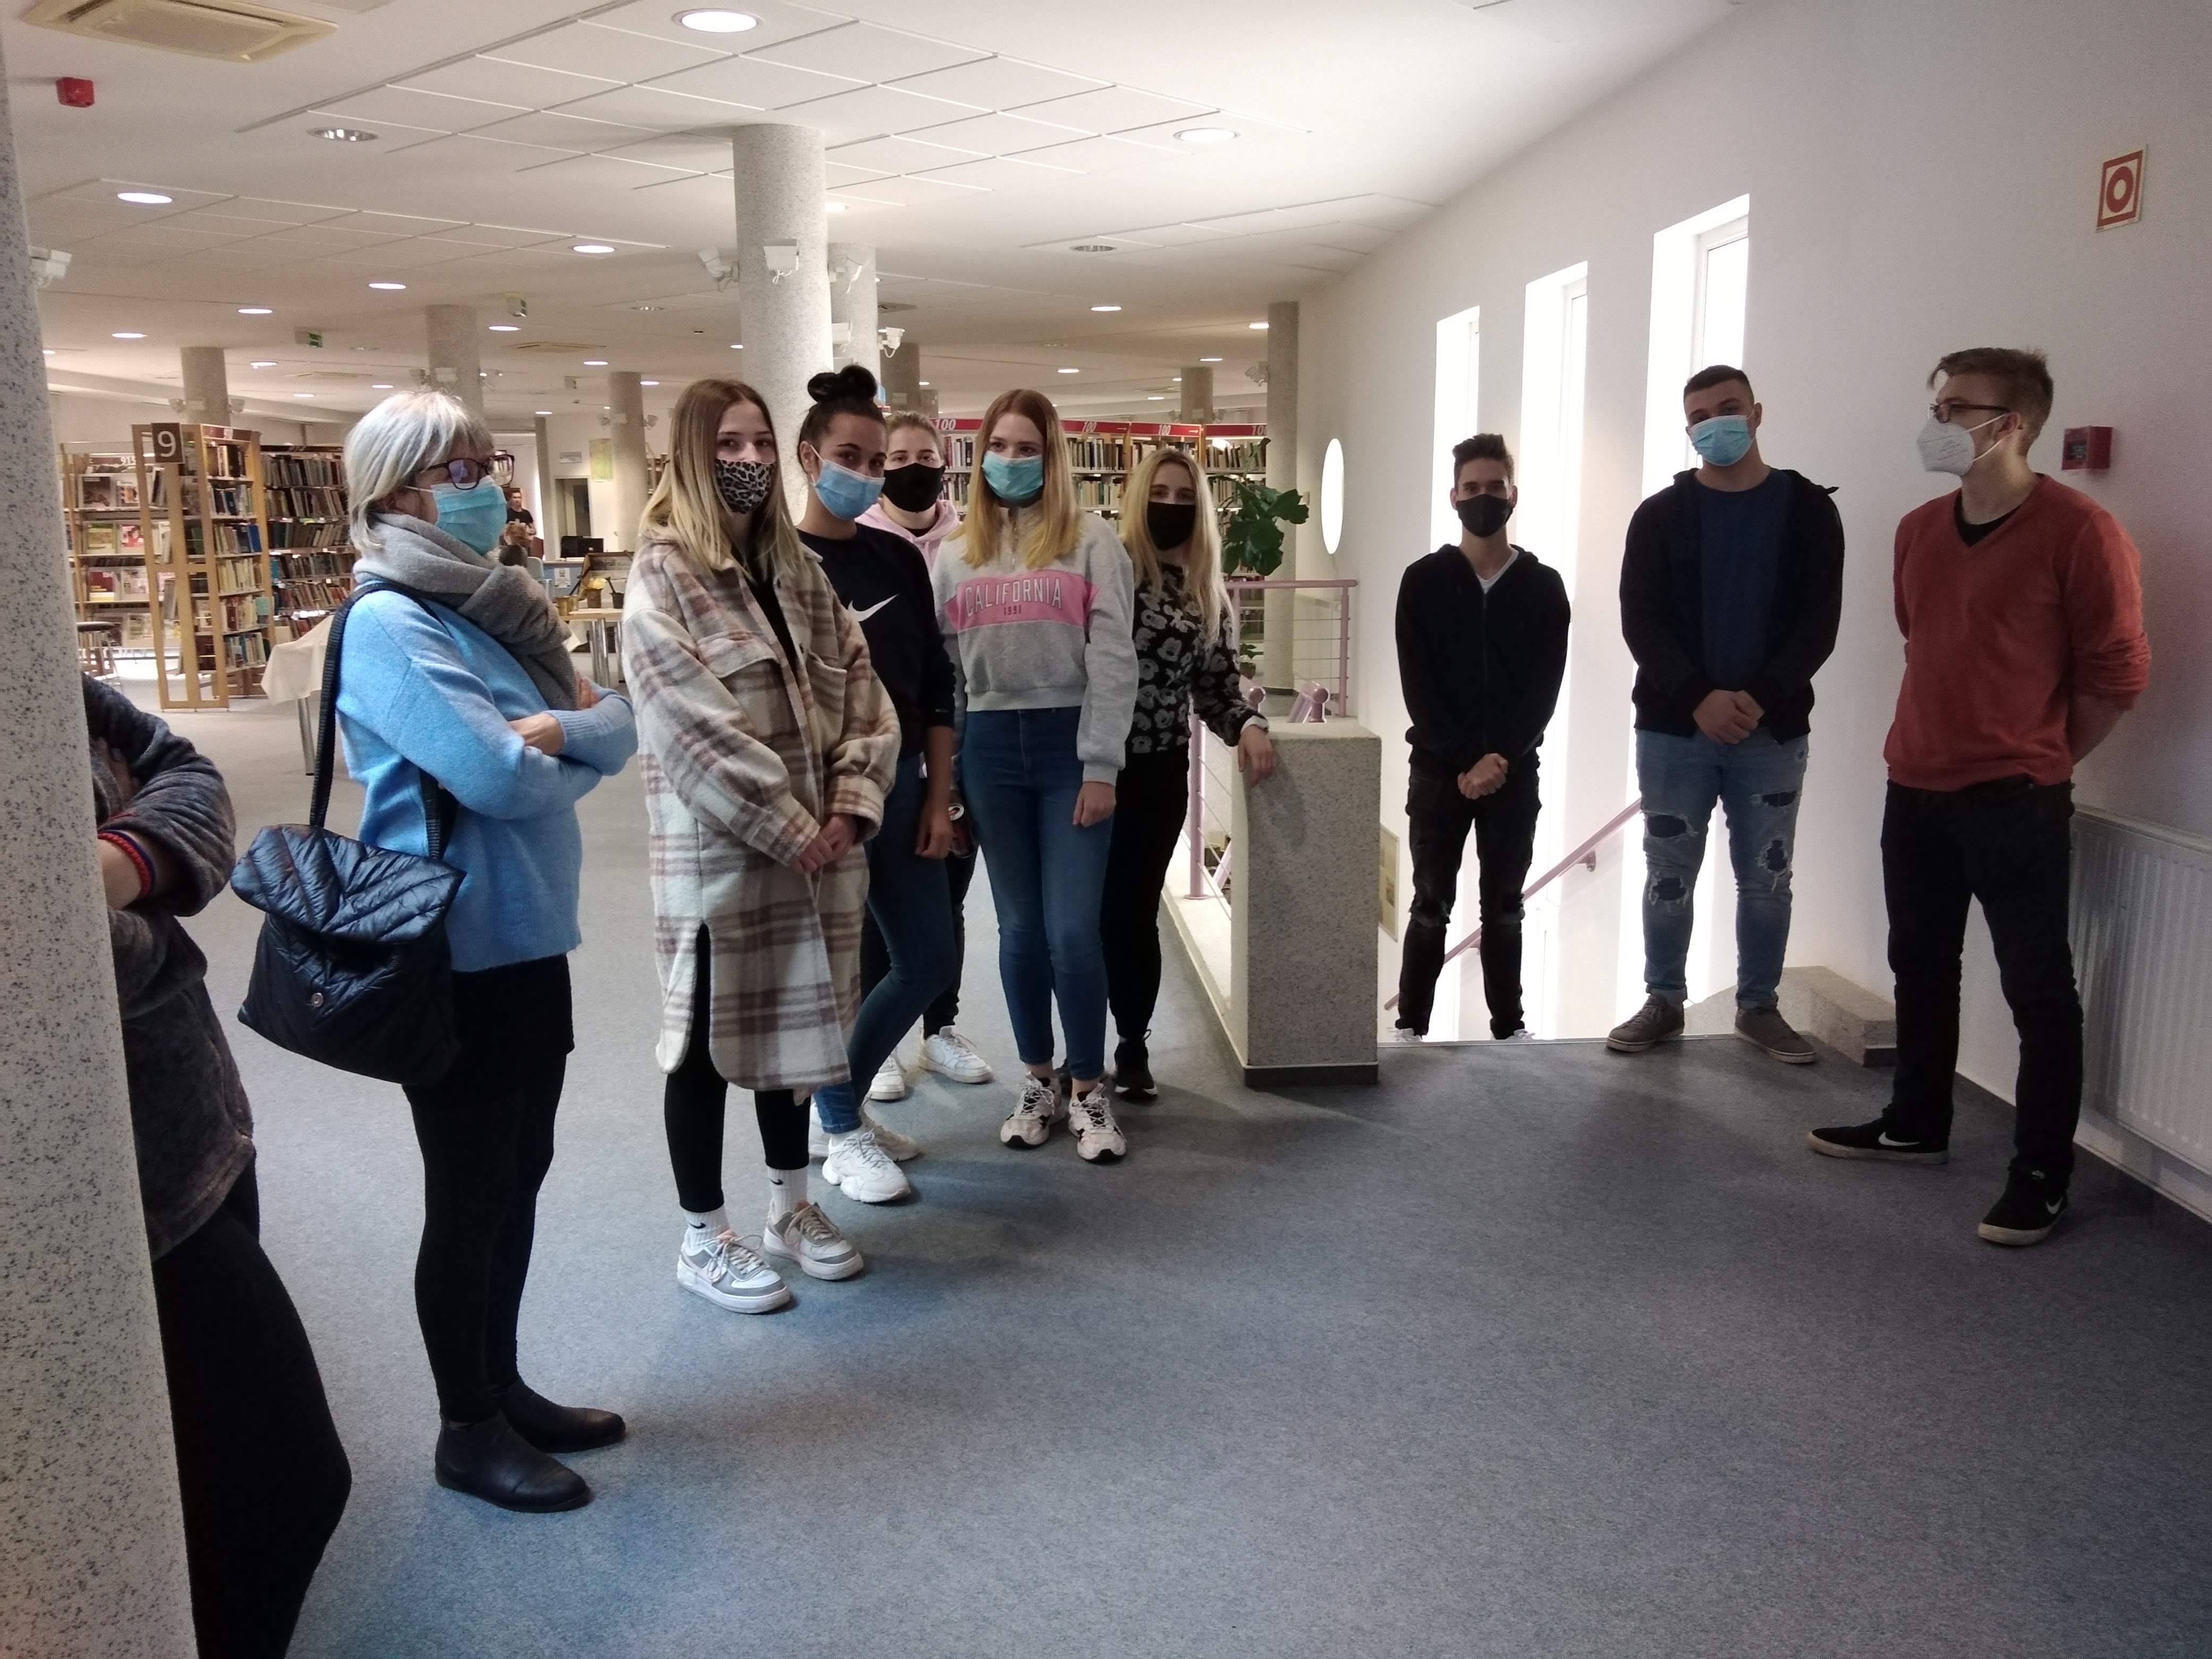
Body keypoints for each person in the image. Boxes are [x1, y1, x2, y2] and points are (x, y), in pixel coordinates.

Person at [335, 390, 637, 1513]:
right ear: (396, 494)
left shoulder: (498, 607)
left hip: (529, 936)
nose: (484, 487)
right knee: (468, 1192)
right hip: (450, 950)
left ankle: (501, 1384)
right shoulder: (389, 624)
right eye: (455, 470)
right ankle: (466, 1428)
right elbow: (498, 777)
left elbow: (615, 719)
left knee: (522, 1171)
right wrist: (575, 740)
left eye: (484, 463)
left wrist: (567, 732)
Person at [1809, 348, 2150, 1247]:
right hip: (1914, 785)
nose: (1939, 423)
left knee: (2038, 991)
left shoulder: (2081, 532)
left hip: (2015, 801)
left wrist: (2040, 759)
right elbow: (1923, 637)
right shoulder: (1919, 530)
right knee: (1921, 965)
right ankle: (1916, 1122)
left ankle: (2042, 1174)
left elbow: (2117, 675)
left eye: (1959, 409)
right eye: (1938, 405)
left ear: (2013, 425)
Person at [87, 675, 349, 1657]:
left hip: (196, 1120)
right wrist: (137, 916)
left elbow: (184, 767)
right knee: (287, 1480)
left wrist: (116, 867)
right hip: (104, 1183)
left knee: (204, 1475)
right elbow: (44, 958)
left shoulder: (28, 664)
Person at [623, 379, 900, 1310]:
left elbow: (865, 697)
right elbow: (689, 727)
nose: (747, 460)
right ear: (691, 456)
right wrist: (790, 826)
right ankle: (703, 1236)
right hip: (723, 863)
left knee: (797, 1033)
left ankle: (791, 1207)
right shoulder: (663, 575)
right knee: (705, 1046)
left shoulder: (797, 573)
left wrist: (850, 806)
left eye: (759, 443)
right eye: (726, 444)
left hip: (819, 855)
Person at [1610, 365, 1844, 1063]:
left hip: (1771, 731)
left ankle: (1758, 1007)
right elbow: (1640, 619)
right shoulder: (1659, 515)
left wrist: (1757, 697)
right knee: (1668, 871)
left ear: (1757, 413)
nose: (1716, 423)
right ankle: (1664, 1000)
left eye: (1729, 408)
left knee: (1767, 876)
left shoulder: (1808, 510)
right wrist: (1698, 697)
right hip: (1674, 729)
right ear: (1688, 429)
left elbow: (1818, 623)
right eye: (1700, 416)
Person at [933, 387, 1138, 1160]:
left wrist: (1100, 765)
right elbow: (948, 679)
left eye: (1028, 449)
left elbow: (1114, 659)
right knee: (1017, 929)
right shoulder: (955, 554)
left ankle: (1089, 1087)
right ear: (979, 455)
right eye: (1000, 446)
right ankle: (1038, 1078)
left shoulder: (1092, 542)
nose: (1011, 460)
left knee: (1072, 930)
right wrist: (951, 779)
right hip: (989, 750)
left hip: (1068, 747)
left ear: (1053, 459)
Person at [791, 367, 959, 1203]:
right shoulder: (777, 563)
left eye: (874, 460)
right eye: (847, 457)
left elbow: (934, 684)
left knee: (928, 957)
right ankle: (840, 1123)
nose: (863, 472)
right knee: (832, 972)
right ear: (808, 457)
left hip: (899, 788)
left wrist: (938, 795)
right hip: (817, 801)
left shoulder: (897, 557)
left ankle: (840, 1108)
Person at [1105, 445, 1276, 1095]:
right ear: (1137, 498)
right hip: (1089, 768)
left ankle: (1131, 1044)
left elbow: (1217, 693)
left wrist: (1250, 725)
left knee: (1132, 915)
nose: (1170, 507)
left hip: (1156, 775)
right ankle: (1076, 1054)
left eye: (1183, 498)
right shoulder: (1108, 570)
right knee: (1079, 919)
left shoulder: (1208, 595)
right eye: (1159, 494)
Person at [1392, 433, 1571, 1042]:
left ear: (1512, 495)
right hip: (1438, 772)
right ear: (1453, 497)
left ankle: (1508, 1030)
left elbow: (1543, 688)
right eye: (1471, 488)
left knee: (1504, 907)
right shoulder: (1422, 581)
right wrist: (1467, 759)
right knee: (1428, 903)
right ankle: (1410, 1027)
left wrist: (1499, 758)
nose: (1483, 497)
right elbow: (1418, 685)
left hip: (1513, 774)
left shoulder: (1543, 587)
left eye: (1495, 487)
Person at [852, 411, 993, 1100]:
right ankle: (876, 1039)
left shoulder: (972, 540)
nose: (914, 466)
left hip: (958, 739)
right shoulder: (858, 541)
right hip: (882, 751)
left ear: (946, 463)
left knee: (947, 897)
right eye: (898, 456)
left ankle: (941, 1029)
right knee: (878, 908)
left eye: (926, 455)